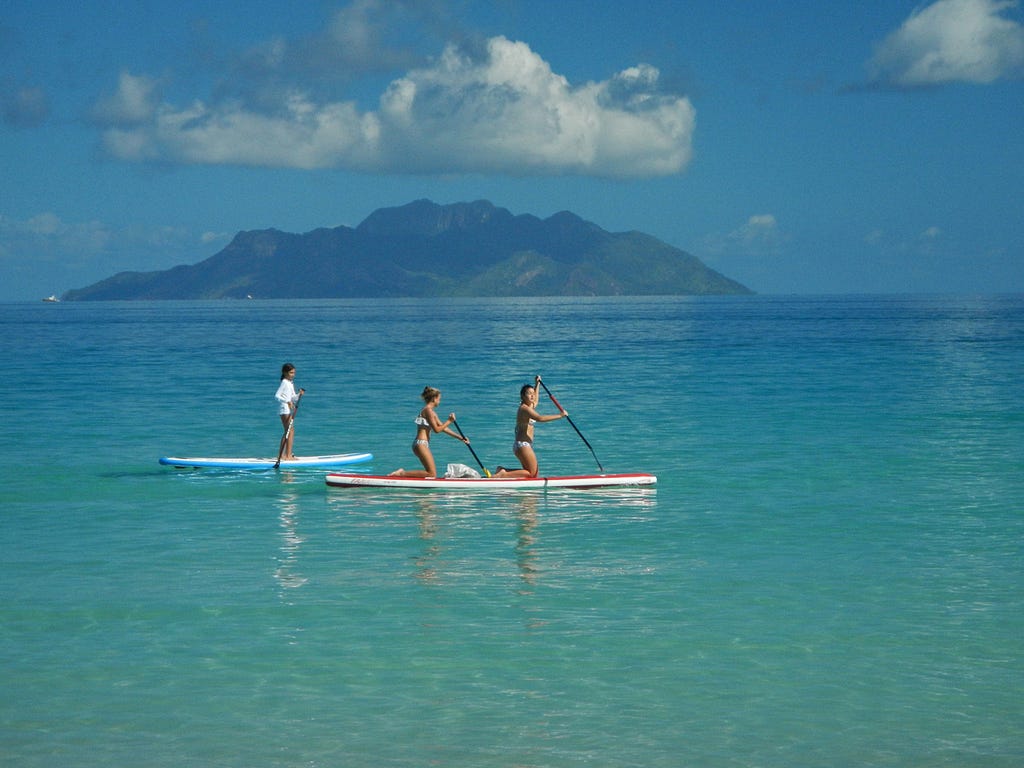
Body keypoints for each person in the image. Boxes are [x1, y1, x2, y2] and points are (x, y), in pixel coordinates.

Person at [494, 375, 567, 477]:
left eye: (533, 393)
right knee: (532, 474)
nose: (532, 396)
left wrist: (537, 384)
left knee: (530, 473)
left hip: (522, 445)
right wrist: (560, 415)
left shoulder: (529, 406)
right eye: (529, 394)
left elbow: (536, 400)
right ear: (523, 396)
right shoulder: (524, 409)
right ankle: (503, 474)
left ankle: (503, 471)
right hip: (522, 445)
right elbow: (539, 418)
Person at [389, 386, 469, 477]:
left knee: (430, 473)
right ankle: (401, 473)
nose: (440, 401)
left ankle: (405, 475)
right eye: (439, 399)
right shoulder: (428, 411)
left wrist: (460, 438)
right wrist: (449, 421)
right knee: (432, 474)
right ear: (434, 399)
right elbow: (437, 430)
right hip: (420, 444)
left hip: (421, 444)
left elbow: (444, 428)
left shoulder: (432, 412)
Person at [275, 363, 304, 460]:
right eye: (291, 373)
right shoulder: (284, 382)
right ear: (285, 373)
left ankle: (285, 455)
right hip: (284, 409)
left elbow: (293, 398)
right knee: (289, 431)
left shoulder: (290, 383)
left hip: (288, 408)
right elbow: (277, 396)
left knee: (289, 431)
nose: (293, 374)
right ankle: (286, 455)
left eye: (294, 373)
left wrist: (299, 394)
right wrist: (287, 401)